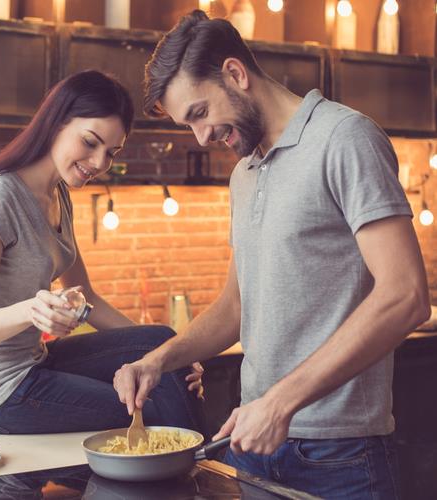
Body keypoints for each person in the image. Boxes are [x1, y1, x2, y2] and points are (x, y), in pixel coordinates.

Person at [113, 10, 431, 499]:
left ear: (235, 74)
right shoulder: (245, 172)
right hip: (254, 444)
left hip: (340, 455)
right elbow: (235, 308)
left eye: (199, 113)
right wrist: (158, 359)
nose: (201, 137)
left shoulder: (344, 139)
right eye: (187, 124)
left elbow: (406, 295)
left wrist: (280, 404)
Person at [0, 70, 203, 436]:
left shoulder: (58, 194)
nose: (100, 162)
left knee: (161, 339)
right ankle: (197, 472)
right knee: (154, 406)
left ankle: (198, 464)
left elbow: (89, 299)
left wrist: (172, 356)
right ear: (56, 123)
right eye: (90, 142)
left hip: (35, 363)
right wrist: (33, 309)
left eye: (110, 152)